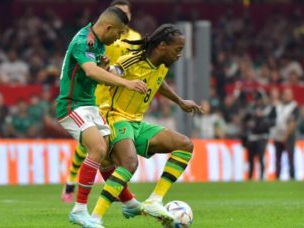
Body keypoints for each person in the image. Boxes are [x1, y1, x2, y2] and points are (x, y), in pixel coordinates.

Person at [86, 24, 203, 227]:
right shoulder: (134, 59)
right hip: (114, 117)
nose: (179, 55)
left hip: (137, 122)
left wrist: (179, 101)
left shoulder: (162, 65)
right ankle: (94, 220)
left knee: (185, 145)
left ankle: (154, 200)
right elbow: (114, 71)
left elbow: (158, 83)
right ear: (162, 46)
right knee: (129, 163)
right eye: (178, 49)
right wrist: (106, 68)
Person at [56, 6, 147, 228]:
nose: (118, 38)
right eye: (118, 33)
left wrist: (103, 67)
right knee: (97, 149)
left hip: (89, 104)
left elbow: (95, 74)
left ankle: (128, 202)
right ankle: (79, 211)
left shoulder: (97, 43)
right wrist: (126, 83)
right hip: (71, 106)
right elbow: (90, 72)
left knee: (105, 156)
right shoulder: (83, 41)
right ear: (108, 27)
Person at [242, 90, 276, 180]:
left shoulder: (269, 109)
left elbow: (273, 122)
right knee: (250, 158)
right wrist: (248, 123)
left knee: (261, 156)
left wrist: (263, 120)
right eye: (256, 99)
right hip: (253, 136)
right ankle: (250, 177)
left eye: (258, 99)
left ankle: (261, 176)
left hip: (263, 135)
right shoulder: (252, 108)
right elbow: (245, 120)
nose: (257, 101)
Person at [273, 88, 298, 180]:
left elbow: (292, 123)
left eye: (289, 94)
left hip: (288, 136)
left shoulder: (294, 106)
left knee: (290, 157)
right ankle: (277, 177)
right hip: (277, 135)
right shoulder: (278, 106)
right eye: (285, 94)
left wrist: (285, 136)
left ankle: (292, 177)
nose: (286, 96)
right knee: (277, 158)